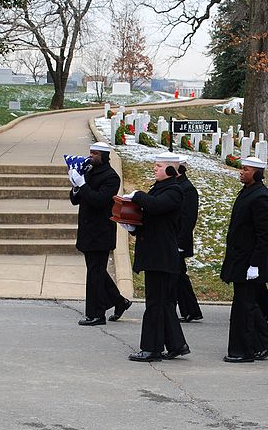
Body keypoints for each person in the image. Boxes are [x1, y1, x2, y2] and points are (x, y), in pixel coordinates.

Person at [119, 153, 190, 362]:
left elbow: (155, 206)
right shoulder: (160, 189)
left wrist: (137, 195)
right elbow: (153, 218)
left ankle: (152, 348)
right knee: (162, 303)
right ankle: (177, 345)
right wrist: (132, 226)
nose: (154, 169)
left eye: (158, 166)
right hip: (155, 253)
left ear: (170, 170)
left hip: (161, 256)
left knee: (155, 304)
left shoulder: (174, 191)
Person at [220, 157, 268, 363]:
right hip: (240, 257)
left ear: (256, 173)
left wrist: (255, 264)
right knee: (247, 304)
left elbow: (265, 234)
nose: (241, 172)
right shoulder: (248, 191)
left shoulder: (262, 196)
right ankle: (267, 343)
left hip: (249, 261)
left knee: (244, 307)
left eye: (245, 169)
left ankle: (243, 351)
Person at [68, 141, 131, 326]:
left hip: (101, 231)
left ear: (104, 156)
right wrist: (75, 186)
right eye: (90, 153)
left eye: (95, 154)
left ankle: (96, 314)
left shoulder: (111, 177)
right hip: (88, 229)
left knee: (95, 273)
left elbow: (100, 200)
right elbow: (75, 200)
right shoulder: (88, 171)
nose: (91, 156)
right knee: (96, 271)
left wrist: (83, 185)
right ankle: (120, 302)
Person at [175, 155, 203, 323]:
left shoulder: (187, 189)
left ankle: (191, 310)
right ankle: (190, 310)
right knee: (178, 276)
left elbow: (188, 220)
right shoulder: (178, 186)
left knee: (179, 276)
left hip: (179, 239)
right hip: (173, 239)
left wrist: (180, 242)